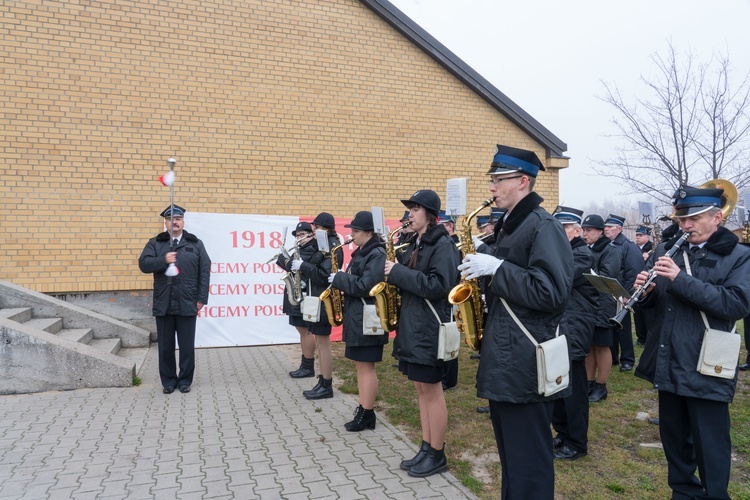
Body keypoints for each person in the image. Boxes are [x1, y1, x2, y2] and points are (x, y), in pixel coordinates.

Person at [457, 145, 574, 498]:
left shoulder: (543, 226)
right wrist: (487, 259)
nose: (491, 187)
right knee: (513, 462)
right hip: (507, 358)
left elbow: (552, 293)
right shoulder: (511, 225)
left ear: (523, 181)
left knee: (530, 465)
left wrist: (498, 267)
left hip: (526, 361)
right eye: (491, 179)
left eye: (498, 180)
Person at [633, 185, 750, 499]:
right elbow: (661, 302)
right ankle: (683, 492)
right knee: (673, 439)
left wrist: (680, 279)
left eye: (695, 218)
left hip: (707, 361)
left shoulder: (739, 255)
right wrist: (645, 293)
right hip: (669, 358)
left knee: (710, 442)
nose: (686, 225)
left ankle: (715, 495)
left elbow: (735, 304)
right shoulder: (666, 250)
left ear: (717, 218)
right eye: (683, 218)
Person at [386, 190, 459, 478]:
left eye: (415, 210)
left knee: (432, 391)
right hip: (414, 325)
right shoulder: (417, 242)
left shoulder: (443, 245)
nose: (409, 215)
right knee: (421, 390)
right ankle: (427, 447)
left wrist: (397, 273)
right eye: (409, 210)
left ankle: (437, 453)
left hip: (429, 328)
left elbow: (438, 286)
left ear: (429, 214)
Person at [138, 205, 211, 394]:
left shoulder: (195, 244)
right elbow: (144, 264)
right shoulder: (156, 243)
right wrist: (163, 259)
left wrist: (201, 298)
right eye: (171, 219)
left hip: (188, 301)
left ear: (183, 222)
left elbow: (204, 271)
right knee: (165, 346)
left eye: (178, 218)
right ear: (166, 223)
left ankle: (185, 380)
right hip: (164, 302)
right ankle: (169, 382)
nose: (175, 222)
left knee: (186, 346)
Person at [329, 211, 387, 431]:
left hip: (368, 319)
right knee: (361, 366)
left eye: (356, 231)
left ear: (369, 232)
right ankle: (364, 409)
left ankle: (367, 413)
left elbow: (366, 286)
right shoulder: (363, 252)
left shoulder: (377, 253)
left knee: (366, 367)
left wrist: (340, 279)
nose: (351, 235)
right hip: (358, 317)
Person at [550, 206, 598, 461]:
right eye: (558, 227)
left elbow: (560, 275)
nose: (561, 231)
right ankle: (563, 431)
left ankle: (578, 442)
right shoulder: (563, 250)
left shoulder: (581, 254)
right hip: (561, 324)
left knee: (575, 390)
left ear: (578, 230)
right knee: (557, 385)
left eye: (566, 227)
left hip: (575, 326)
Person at [297, 212, 343, 400]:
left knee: (324, 345)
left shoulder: (332, 246)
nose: (313, 231)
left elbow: (322, 275)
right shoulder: (323, 244)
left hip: (325, 298)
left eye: (316, 227)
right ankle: (322, 381)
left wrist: (302, 266)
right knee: (320, 343)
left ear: (325, 228)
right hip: (317, 297)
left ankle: (327, 384)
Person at [581, 214, 622, 403]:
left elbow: (607, 276)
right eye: (584, 230)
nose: (585, 234)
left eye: (589, 230)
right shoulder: (588, 248)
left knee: (603, 345)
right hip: (589, 303)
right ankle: (589, 383)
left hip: (603, 304)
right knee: (589, 345)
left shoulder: (610, 250)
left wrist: (586, 273)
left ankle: (601, 386)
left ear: (600, 232)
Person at [604, 214, 645, 372]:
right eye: (605, 227)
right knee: (610, 326)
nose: (606, 229)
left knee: (623, 327)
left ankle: (627, 359)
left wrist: (628, 294)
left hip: (622, 293)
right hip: (609, 291)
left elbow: (633, 272)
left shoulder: (629, 247)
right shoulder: (608, 244)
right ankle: (613, 356)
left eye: (610, 227)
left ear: (619, 229)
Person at [277, 222, 317, 380]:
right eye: (297, 235)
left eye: (302, 234)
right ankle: (304, 364)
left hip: (304, 295)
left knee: (305, 331)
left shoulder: (311, 249)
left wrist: (283, 259)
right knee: (300, 330)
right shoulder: (300, 249)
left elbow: (292, 266)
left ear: (310, 234)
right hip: (296, 292)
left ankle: (308, 366)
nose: (299, 238)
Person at [438, 210, 461, 391]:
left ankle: (449, 378)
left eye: (441, 226)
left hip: (454, 294)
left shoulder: (456, 245)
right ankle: (443, 373)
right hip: (446, 294)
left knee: (451, 335)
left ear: (449, 226)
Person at [634, 225, 654, 346]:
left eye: (640, 235)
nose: (637, 237)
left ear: (647, 237)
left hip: (648, 285)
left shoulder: (652, 249)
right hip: (637, 283)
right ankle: (640, 337)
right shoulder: (635, 248)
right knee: (638, 313)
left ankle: (648, 337)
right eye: (637, 235)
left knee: (648, 315)